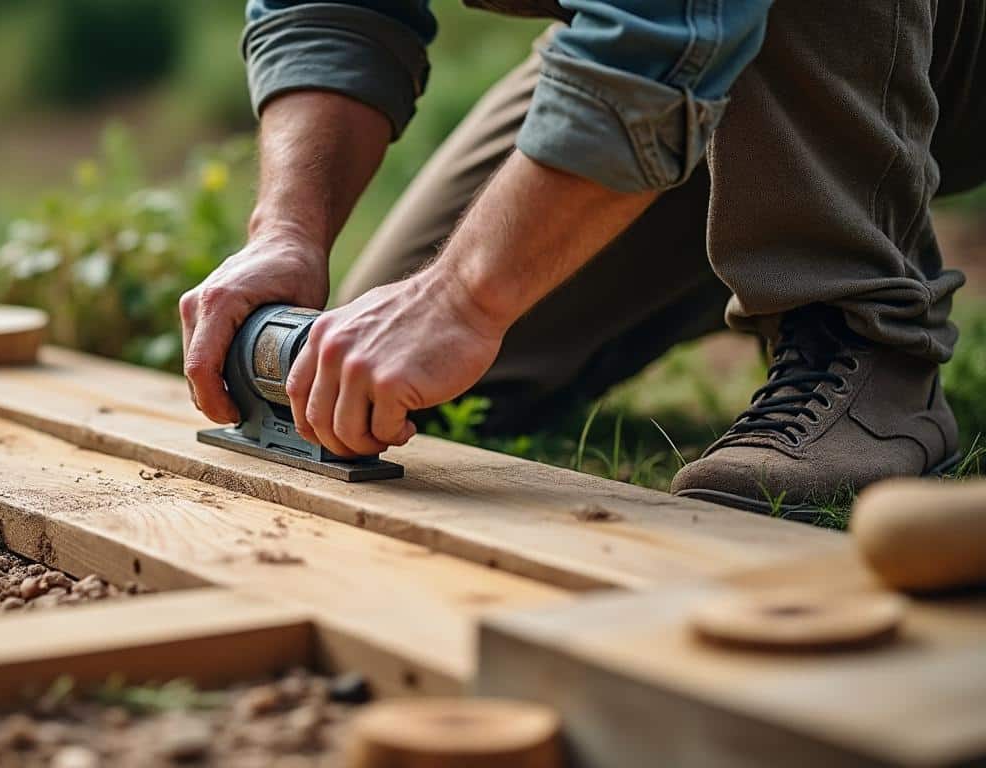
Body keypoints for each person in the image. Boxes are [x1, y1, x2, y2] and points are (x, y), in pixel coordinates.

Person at [179, 0, 985, 517]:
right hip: (673, 28)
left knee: (451, 314)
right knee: (375, 376)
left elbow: (673, 24)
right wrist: (287, 228)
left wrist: (463, 296)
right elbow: (331, 9)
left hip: (916, 38)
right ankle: (764, 213)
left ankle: (859, 333)